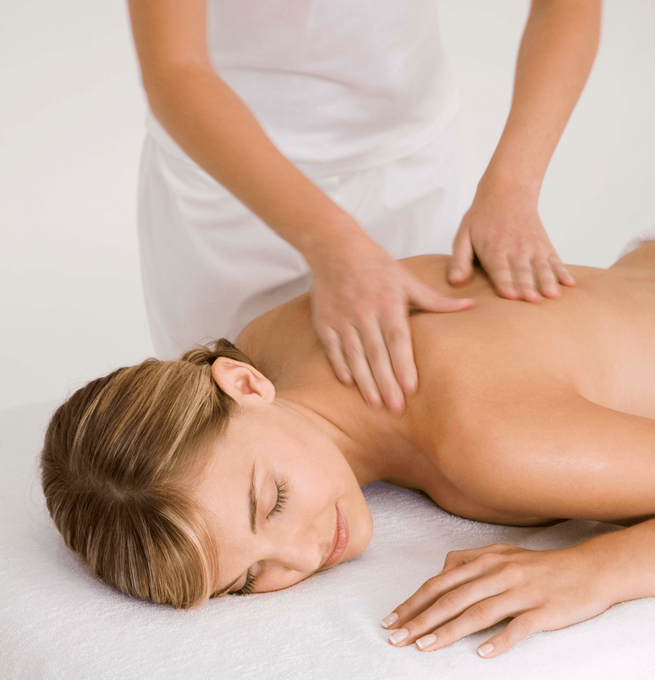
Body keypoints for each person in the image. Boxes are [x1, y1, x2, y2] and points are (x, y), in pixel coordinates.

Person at [40, 235, 655, 659]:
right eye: (249, 579)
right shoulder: (275, 337)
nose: (303, 554)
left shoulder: (492, 444)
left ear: (244, 382)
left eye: (273, 500)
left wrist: (593, 571)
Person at [129, 0, 601, 416]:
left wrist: (513, 186)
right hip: (226, 182)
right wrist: (330, 241)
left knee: (439, 403)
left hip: (412, 170)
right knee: (225, 436)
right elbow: (175, 67)